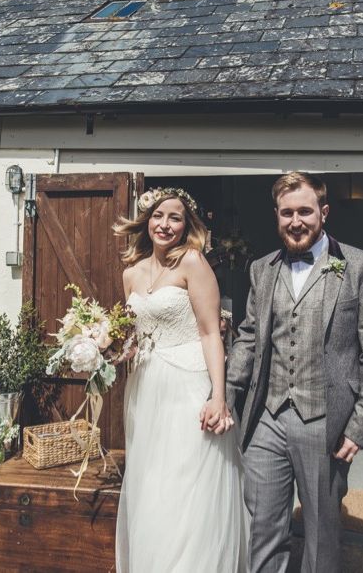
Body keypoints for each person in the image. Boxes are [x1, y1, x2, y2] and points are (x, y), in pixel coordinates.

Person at [223, 172, 363, 573]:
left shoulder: (361, 266)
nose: (295, 220)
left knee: (321, 534)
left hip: (326, 421)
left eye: (304, 211)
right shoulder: (261, 268)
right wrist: (227, 395)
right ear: (277, 216)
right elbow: (249, 336)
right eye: (286, 213)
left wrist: (361, 425)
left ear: (324, 212)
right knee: (262, 527)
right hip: (266, 419)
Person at [113, 186, 248, 573]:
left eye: (175, 217)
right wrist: (111, 349)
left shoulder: (192, 263)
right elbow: (136, 335)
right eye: (158, 216)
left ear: (186, 224)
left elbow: (211, 333)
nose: (165, 224)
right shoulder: (131, 274)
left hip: (188, 386)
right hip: (146, 388)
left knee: (187, 485)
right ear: (146, 220)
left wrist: (218, 397)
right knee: (152, 483)